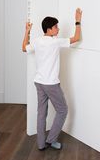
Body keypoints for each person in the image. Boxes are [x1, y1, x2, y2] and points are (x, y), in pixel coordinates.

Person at [22, 8, 82, 151]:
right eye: (55, 27)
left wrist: (27, 31)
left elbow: (24, 48)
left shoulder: (37, 41)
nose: (58, 29)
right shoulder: (55, 42)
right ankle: (51, 139)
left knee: (41, 113)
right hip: (51, 84)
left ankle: (41, 144)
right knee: (63, 110)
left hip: (39, 82)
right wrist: (78, 20)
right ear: (49, 30)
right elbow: (76, 38)